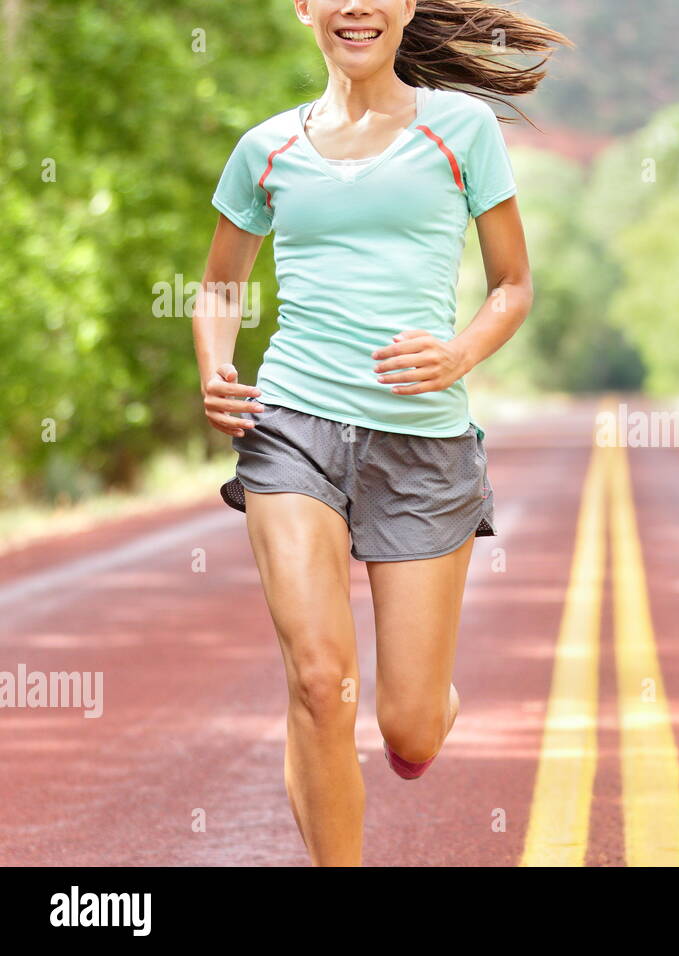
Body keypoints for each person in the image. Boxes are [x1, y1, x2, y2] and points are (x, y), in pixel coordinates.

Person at [192, 0, 567, 866]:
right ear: (304, 8)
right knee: (320, 682)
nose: (356, 5)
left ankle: (429, 701)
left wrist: (458, 353)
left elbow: (512, 285)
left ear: (402, 9)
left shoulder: (460, 130)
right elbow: (218, 286)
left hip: (422, 444)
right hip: (292, 428)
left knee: (411, 733)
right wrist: (216, 366)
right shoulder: (266, 148)